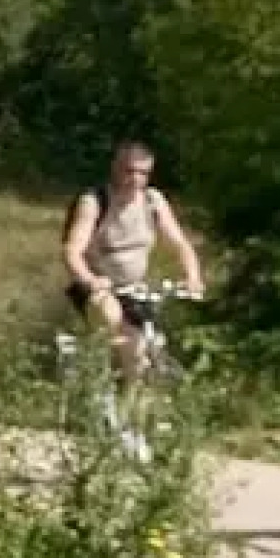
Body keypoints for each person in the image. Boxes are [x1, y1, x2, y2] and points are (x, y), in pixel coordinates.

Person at [62, 140, 208, 389]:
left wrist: (192, 277)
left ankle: (132, 409)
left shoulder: (153, 201)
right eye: (129, 171)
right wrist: (90, 280)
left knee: (143, 346)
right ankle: (101, 389)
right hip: (97, 287)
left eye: (143, 173)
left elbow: (180, 244)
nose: (135, 179)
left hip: (134, 289)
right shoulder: (94, 201)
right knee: (113, 320)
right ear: (115, 168)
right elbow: (72, 250)